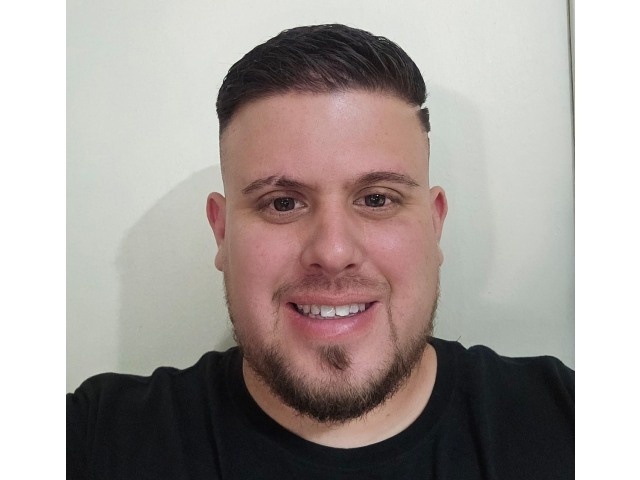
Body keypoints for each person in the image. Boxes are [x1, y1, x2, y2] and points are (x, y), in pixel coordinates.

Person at [67, 24, 574, 479]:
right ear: (221, 232)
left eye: (377, 199)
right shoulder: (96, 439)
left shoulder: (568, 421)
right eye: (282, 203)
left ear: (435, 222)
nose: (332, 252)